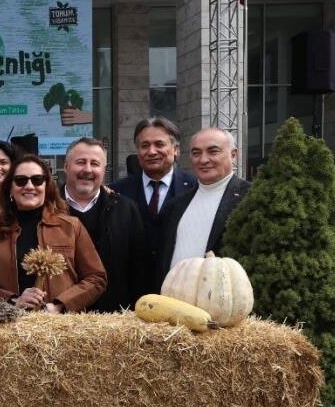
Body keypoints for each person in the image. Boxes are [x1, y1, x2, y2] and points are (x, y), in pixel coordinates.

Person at [0, 155, 107, 313]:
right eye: (21, 180)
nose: (29, 186)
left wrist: (60, 305)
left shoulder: (71, 227)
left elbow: (96, 278)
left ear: (46, 186)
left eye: (37, 180)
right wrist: (14, 301)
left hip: (60, 323)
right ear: (10, 188)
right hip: (12, 323)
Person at [110, 117, 197, 293]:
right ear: (138, 152)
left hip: (180, 290)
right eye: (145, 146)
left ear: (176, 150)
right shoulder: (117, 192)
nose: (151, 151)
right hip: (130, 292)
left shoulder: (195, 189)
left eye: (159, 144)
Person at [62, 137, 146, 312]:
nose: (87, 169)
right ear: (66, 166)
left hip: (113, 318)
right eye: (80, 162)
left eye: (95, 164)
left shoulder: (126, 209)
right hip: (58, 316)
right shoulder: (46, 207)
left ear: (104, 170)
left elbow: (139, 269)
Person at [157, 127, 250, 280]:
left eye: (213, 151)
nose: (203, 160)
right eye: (196, 153)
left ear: (233, 155)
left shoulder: (250, 199)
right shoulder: (175, 206)